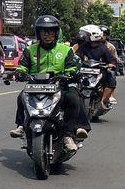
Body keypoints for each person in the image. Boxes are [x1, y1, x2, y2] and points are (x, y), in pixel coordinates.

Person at [9, 14, 91, 151]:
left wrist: (71, 73)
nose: (47, 35)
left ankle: (68, 135)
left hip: (61, 84)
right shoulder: (30, 50)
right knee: (22, 97)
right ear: (38, 33)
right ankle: (22, 126)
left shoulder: (65, 50)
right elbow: (22, 66)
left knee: (74, 98)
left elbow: (72, 66)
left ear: (56, 33)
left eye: (50, 32)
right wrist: (18, 73)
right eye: (44, 32)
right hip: (36, 85)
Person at [73, 24, 119, 110]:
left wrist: (111, 64)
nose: (86, 36)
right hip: (84, 70)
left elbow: (112, 60)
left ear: (94, 35)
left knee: (111, 77)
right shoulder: (84, 45)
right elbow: (77, 55)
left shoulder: (104, 48)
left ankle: (103, 100)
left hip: (100, 71)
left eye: (88, 35)